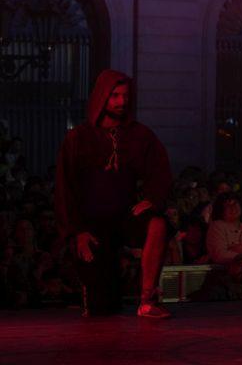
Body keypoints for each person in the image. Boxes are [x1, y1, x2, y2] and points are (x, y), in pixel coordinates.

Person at [54, 70, 172, 318]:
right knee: (101, 308)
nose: (121, 102)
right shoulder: (78, 138)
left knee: (157, 223)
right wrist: (77, 231)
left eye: (125, 96)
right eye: (115, 96)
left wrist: (153, 199)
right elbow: (66, 187)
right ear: (102, 98)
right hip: (92, 225)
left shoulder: (139, 136)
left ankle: (147, 299)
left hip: (124, 219)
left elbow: (160, 171)